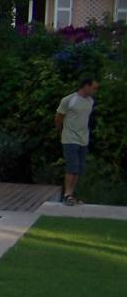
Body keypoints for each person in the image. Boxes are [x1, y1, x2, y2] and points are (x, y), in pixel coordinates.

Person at [54, 77, 99, 205]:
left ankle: (72, 194)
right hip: (70, 138)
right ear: (86, 86)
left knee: (78, 168)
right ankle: (67, 194)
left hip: (83, 139)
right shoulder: (69, 100)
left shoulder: (90, 101)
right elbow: (58, 117)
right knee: (72, 167)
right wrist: (61, 131)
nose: (95, 90)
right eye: (94, 87)